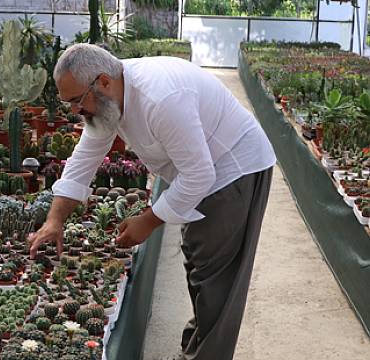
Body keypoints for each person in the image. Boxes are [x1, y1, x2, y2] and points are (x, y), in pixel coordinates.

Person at [28, 43, 276, 360]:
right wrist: (54, 220)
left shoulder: (160, 99)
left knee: (216, 282)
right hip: (204, 171)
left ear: (102, 81)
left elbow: (200, 175)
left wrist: (149, 220)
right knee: (200, 266)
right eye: (69, 104)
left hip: (234, 170)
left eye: (77, 100)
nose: (76, 111)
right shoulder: (110, 98)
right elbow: (84, 158)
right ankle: (195, 350)